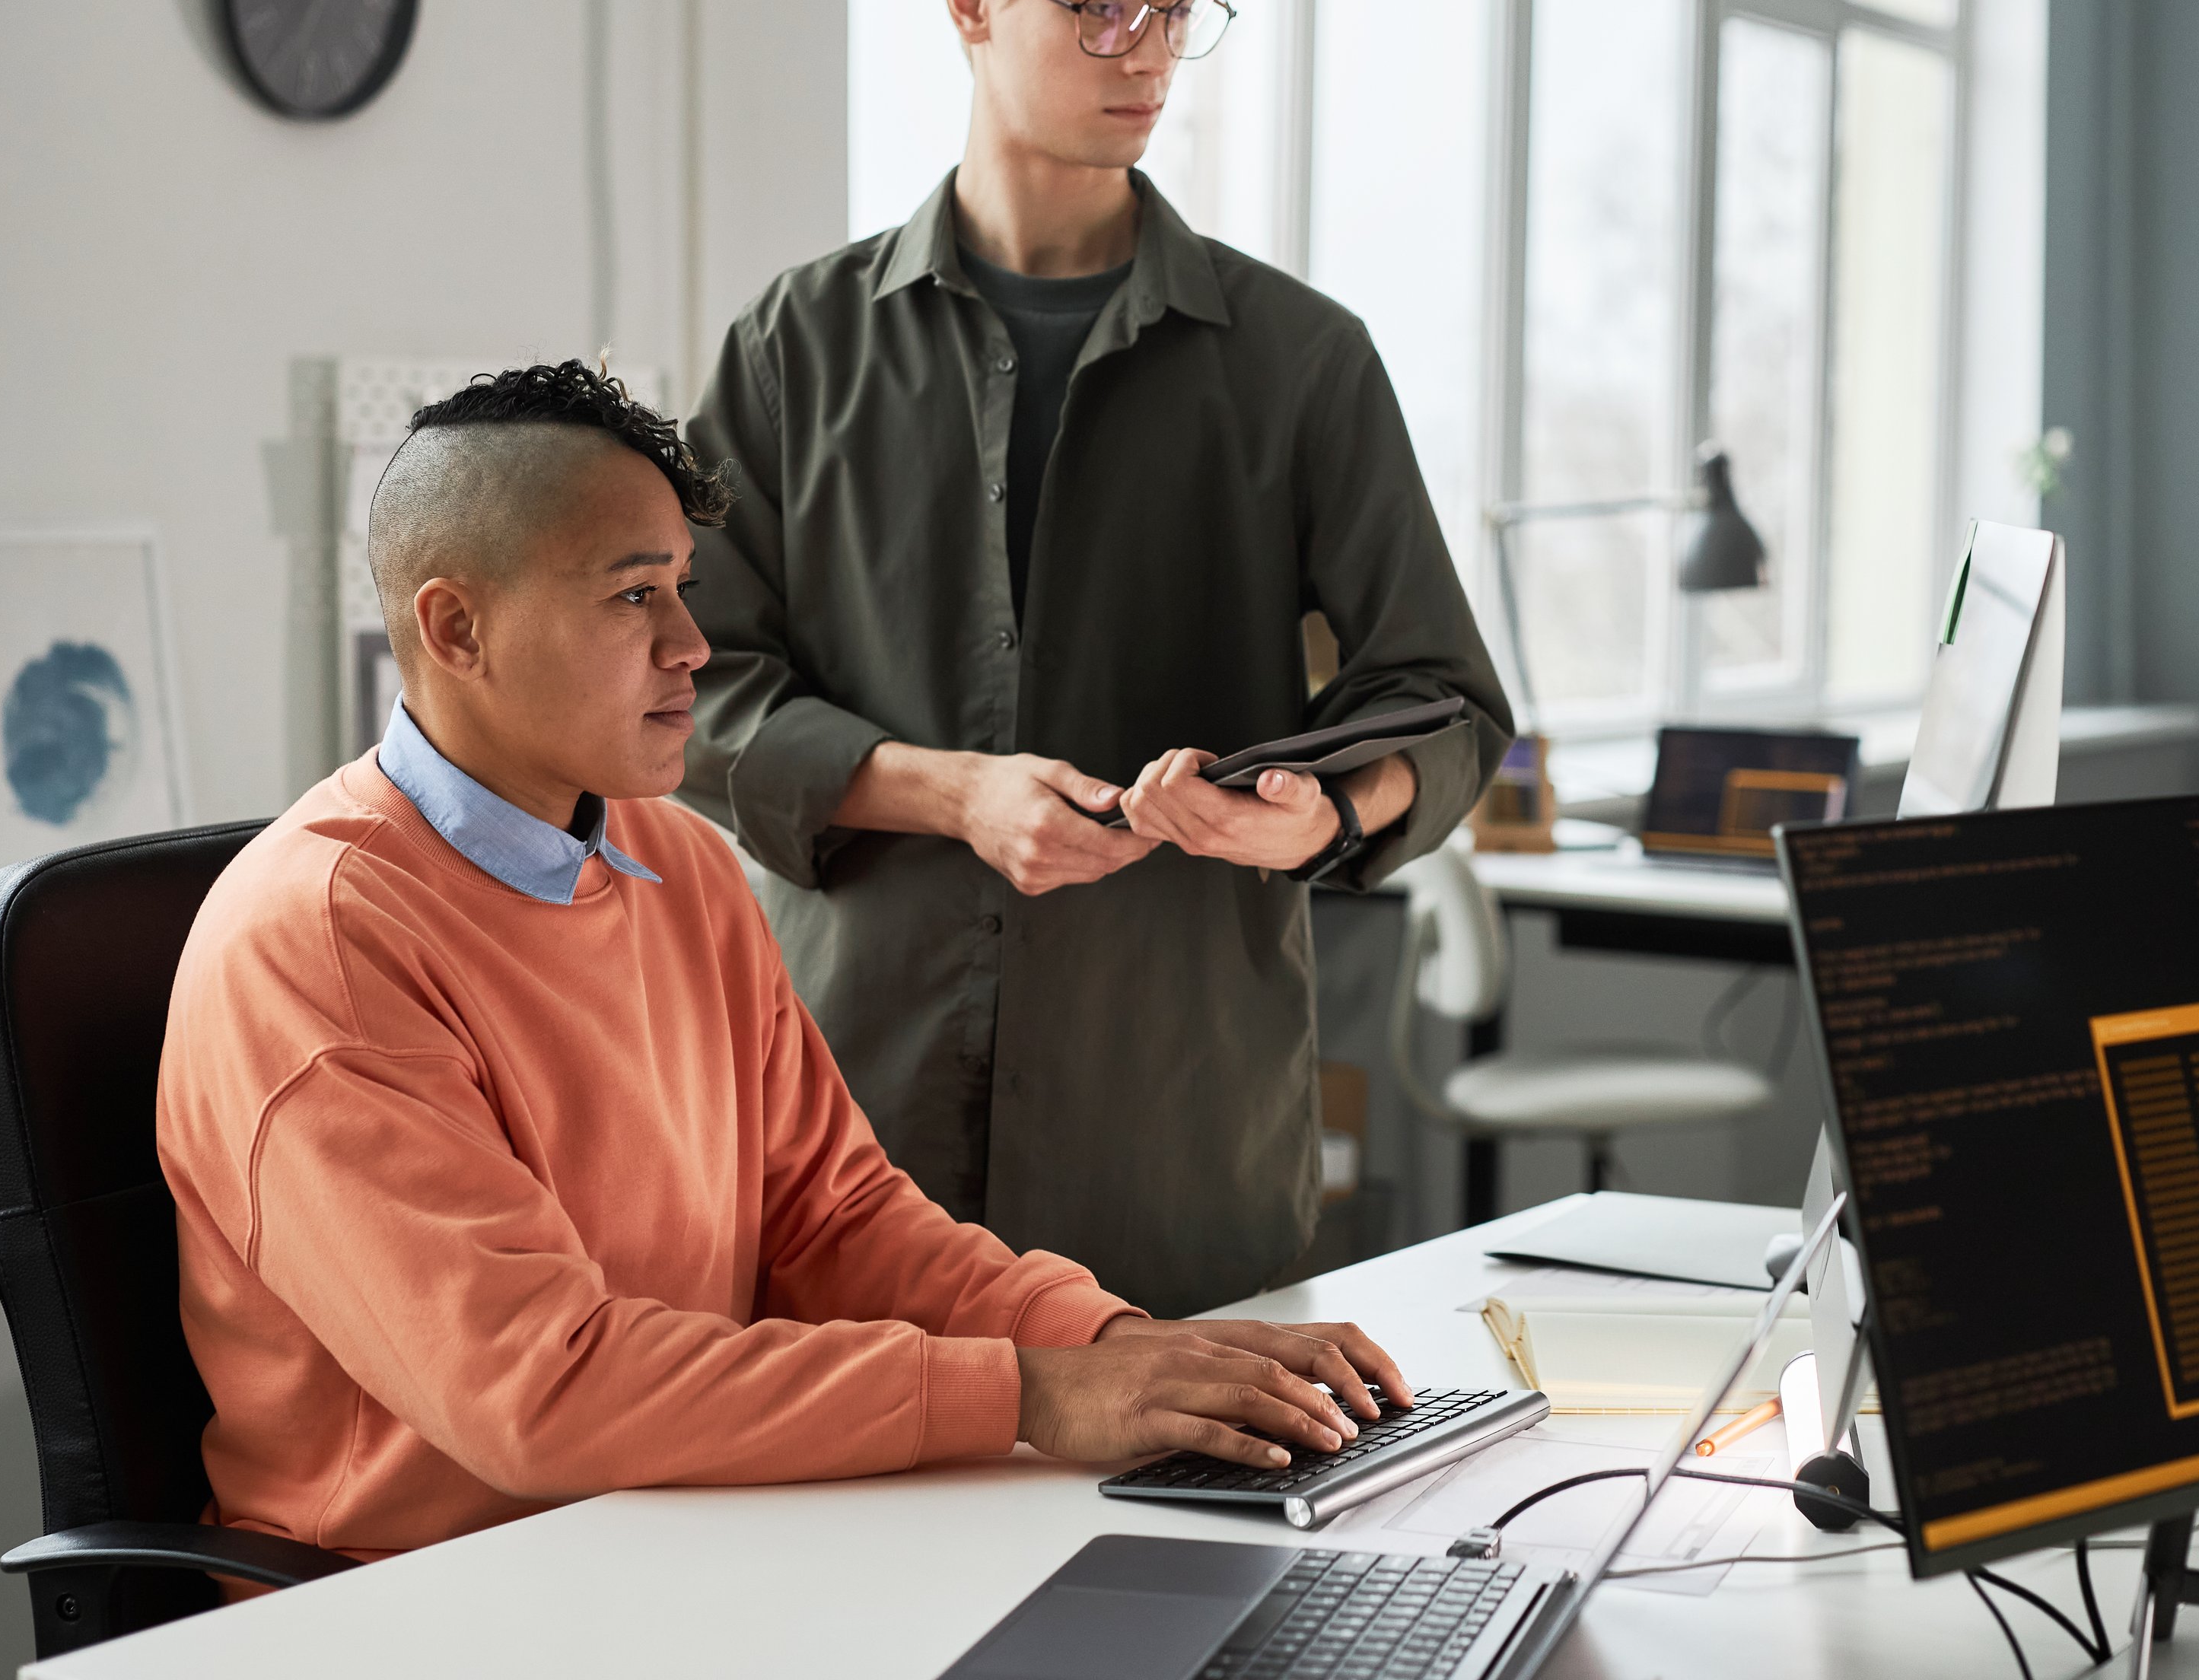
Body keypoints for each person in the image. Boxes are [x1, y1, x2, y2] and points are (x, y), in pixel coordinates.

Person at [157, 364, 1408, 1567]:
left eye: (686, 589)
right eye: (634, 596)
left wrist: (1116, 1346)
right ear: (455, 627)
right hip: (416, 1605)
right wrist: (1031, 1391)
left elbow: (836, 1217)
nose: (694, 645)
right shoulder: (317, 942)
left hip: (674, 1533)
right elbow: (537, 1388)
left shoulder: (676, 862)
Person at [680, 0, 1509, 1318]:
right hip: (850, 1133)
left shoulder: (1300, 361)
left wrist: (1319, 812)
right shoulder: (795, 348)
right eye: (1103, 6)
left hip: (1181, 1150)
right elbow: (686, 692)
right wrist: (952, 792)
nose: (1153, 56)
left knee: (1203, 1562)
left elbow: (1446, 700)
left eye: (1182, 6)